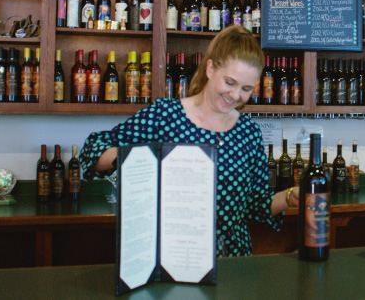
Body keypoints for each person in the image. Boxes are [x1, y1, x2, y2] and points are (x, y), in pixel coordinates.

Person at [79, 25, 300, 256]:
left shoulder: (249, 132)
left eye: (246, 88)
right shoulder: (166, 115)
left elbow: (256, 205)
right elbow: (93, 150)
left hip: (232, 262)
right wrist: (138, 156)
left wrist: (288, 196)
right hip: (170, 260)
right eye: (230, 82)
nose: (235, 96)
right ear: (211, 69)